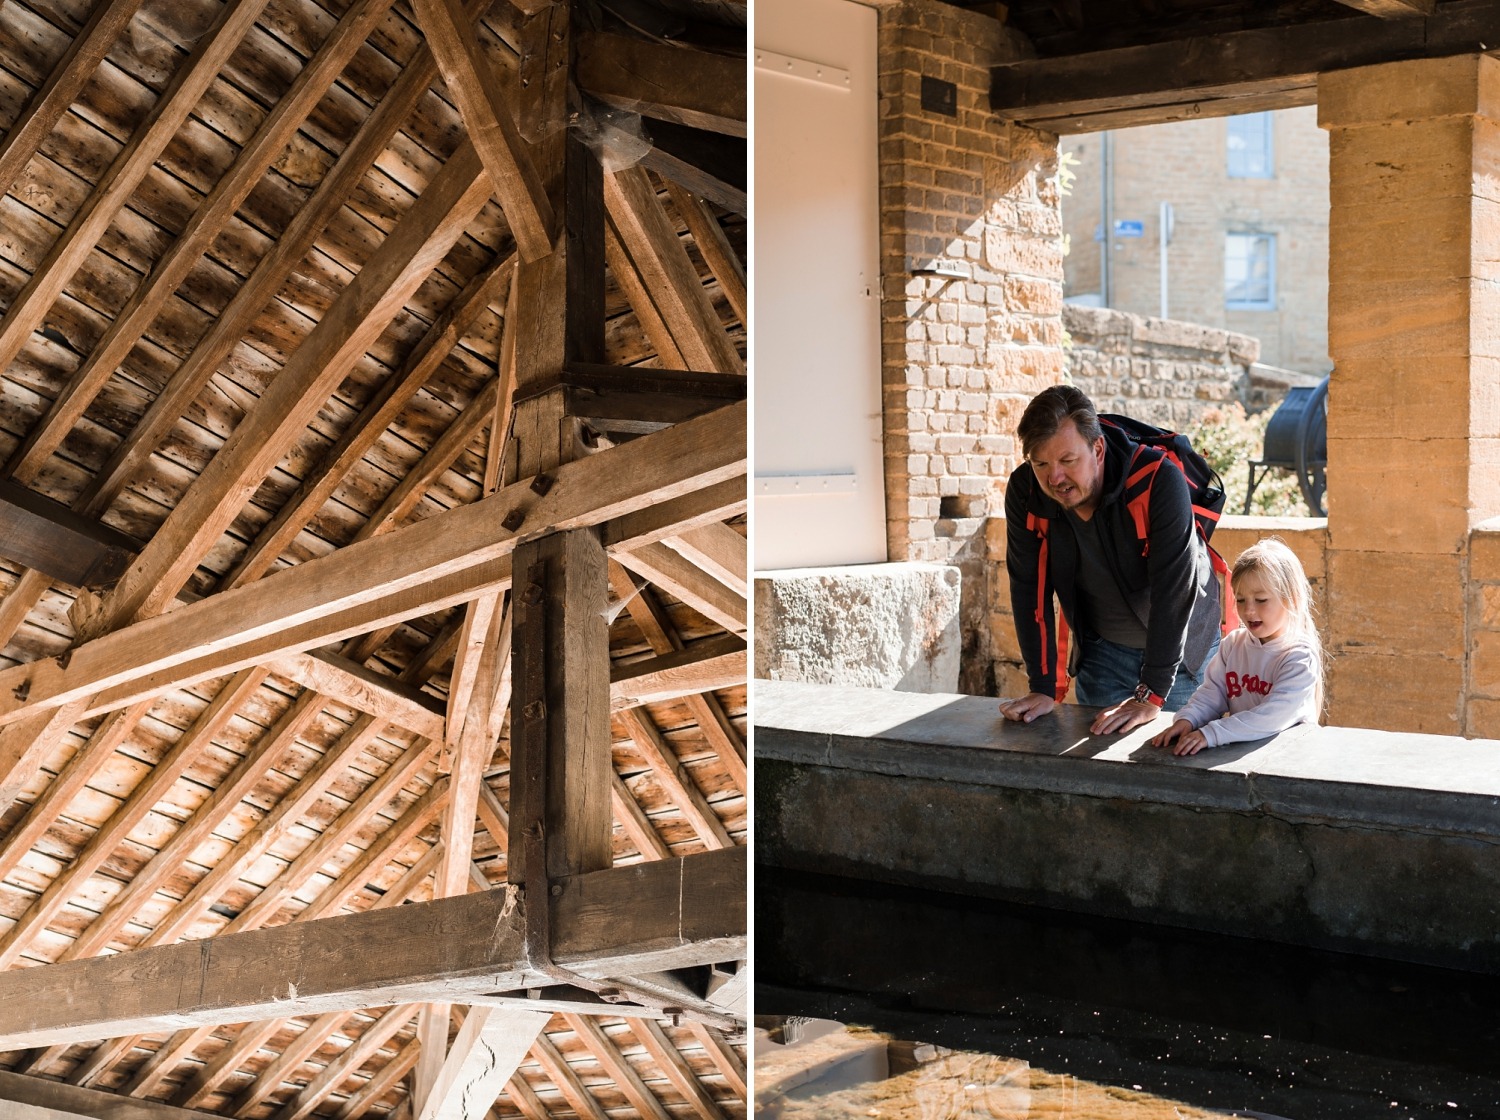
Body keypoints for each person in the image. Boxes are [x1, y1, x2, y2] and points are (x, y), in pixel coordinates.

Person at [999, 385, 1222, 735]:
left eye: (1067, 461)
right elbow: (1029, 586)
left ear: (1098, 449)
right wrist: (1042, 686)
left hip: (1181, 654)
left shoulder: (1157, 480)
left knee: (1174, 770)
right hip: (1103, 652)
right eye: (1041, 463)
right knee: (1095, 770)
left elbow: (1174, 590)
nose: (1054, 478)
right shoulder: (1026, 491)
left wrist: (1152, 692)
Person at [1149, 538, 1322, 756]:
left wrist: (1212, 733)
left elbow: (1272, 716)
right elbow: (1212, 694)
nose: (1249, 610)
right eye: (1240, 600)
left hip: (1288, 763)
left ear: (1292, 599)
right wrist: (1188, 719)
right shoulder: (1233, 645)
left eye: (1261, 600)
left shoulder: (1299, 657)